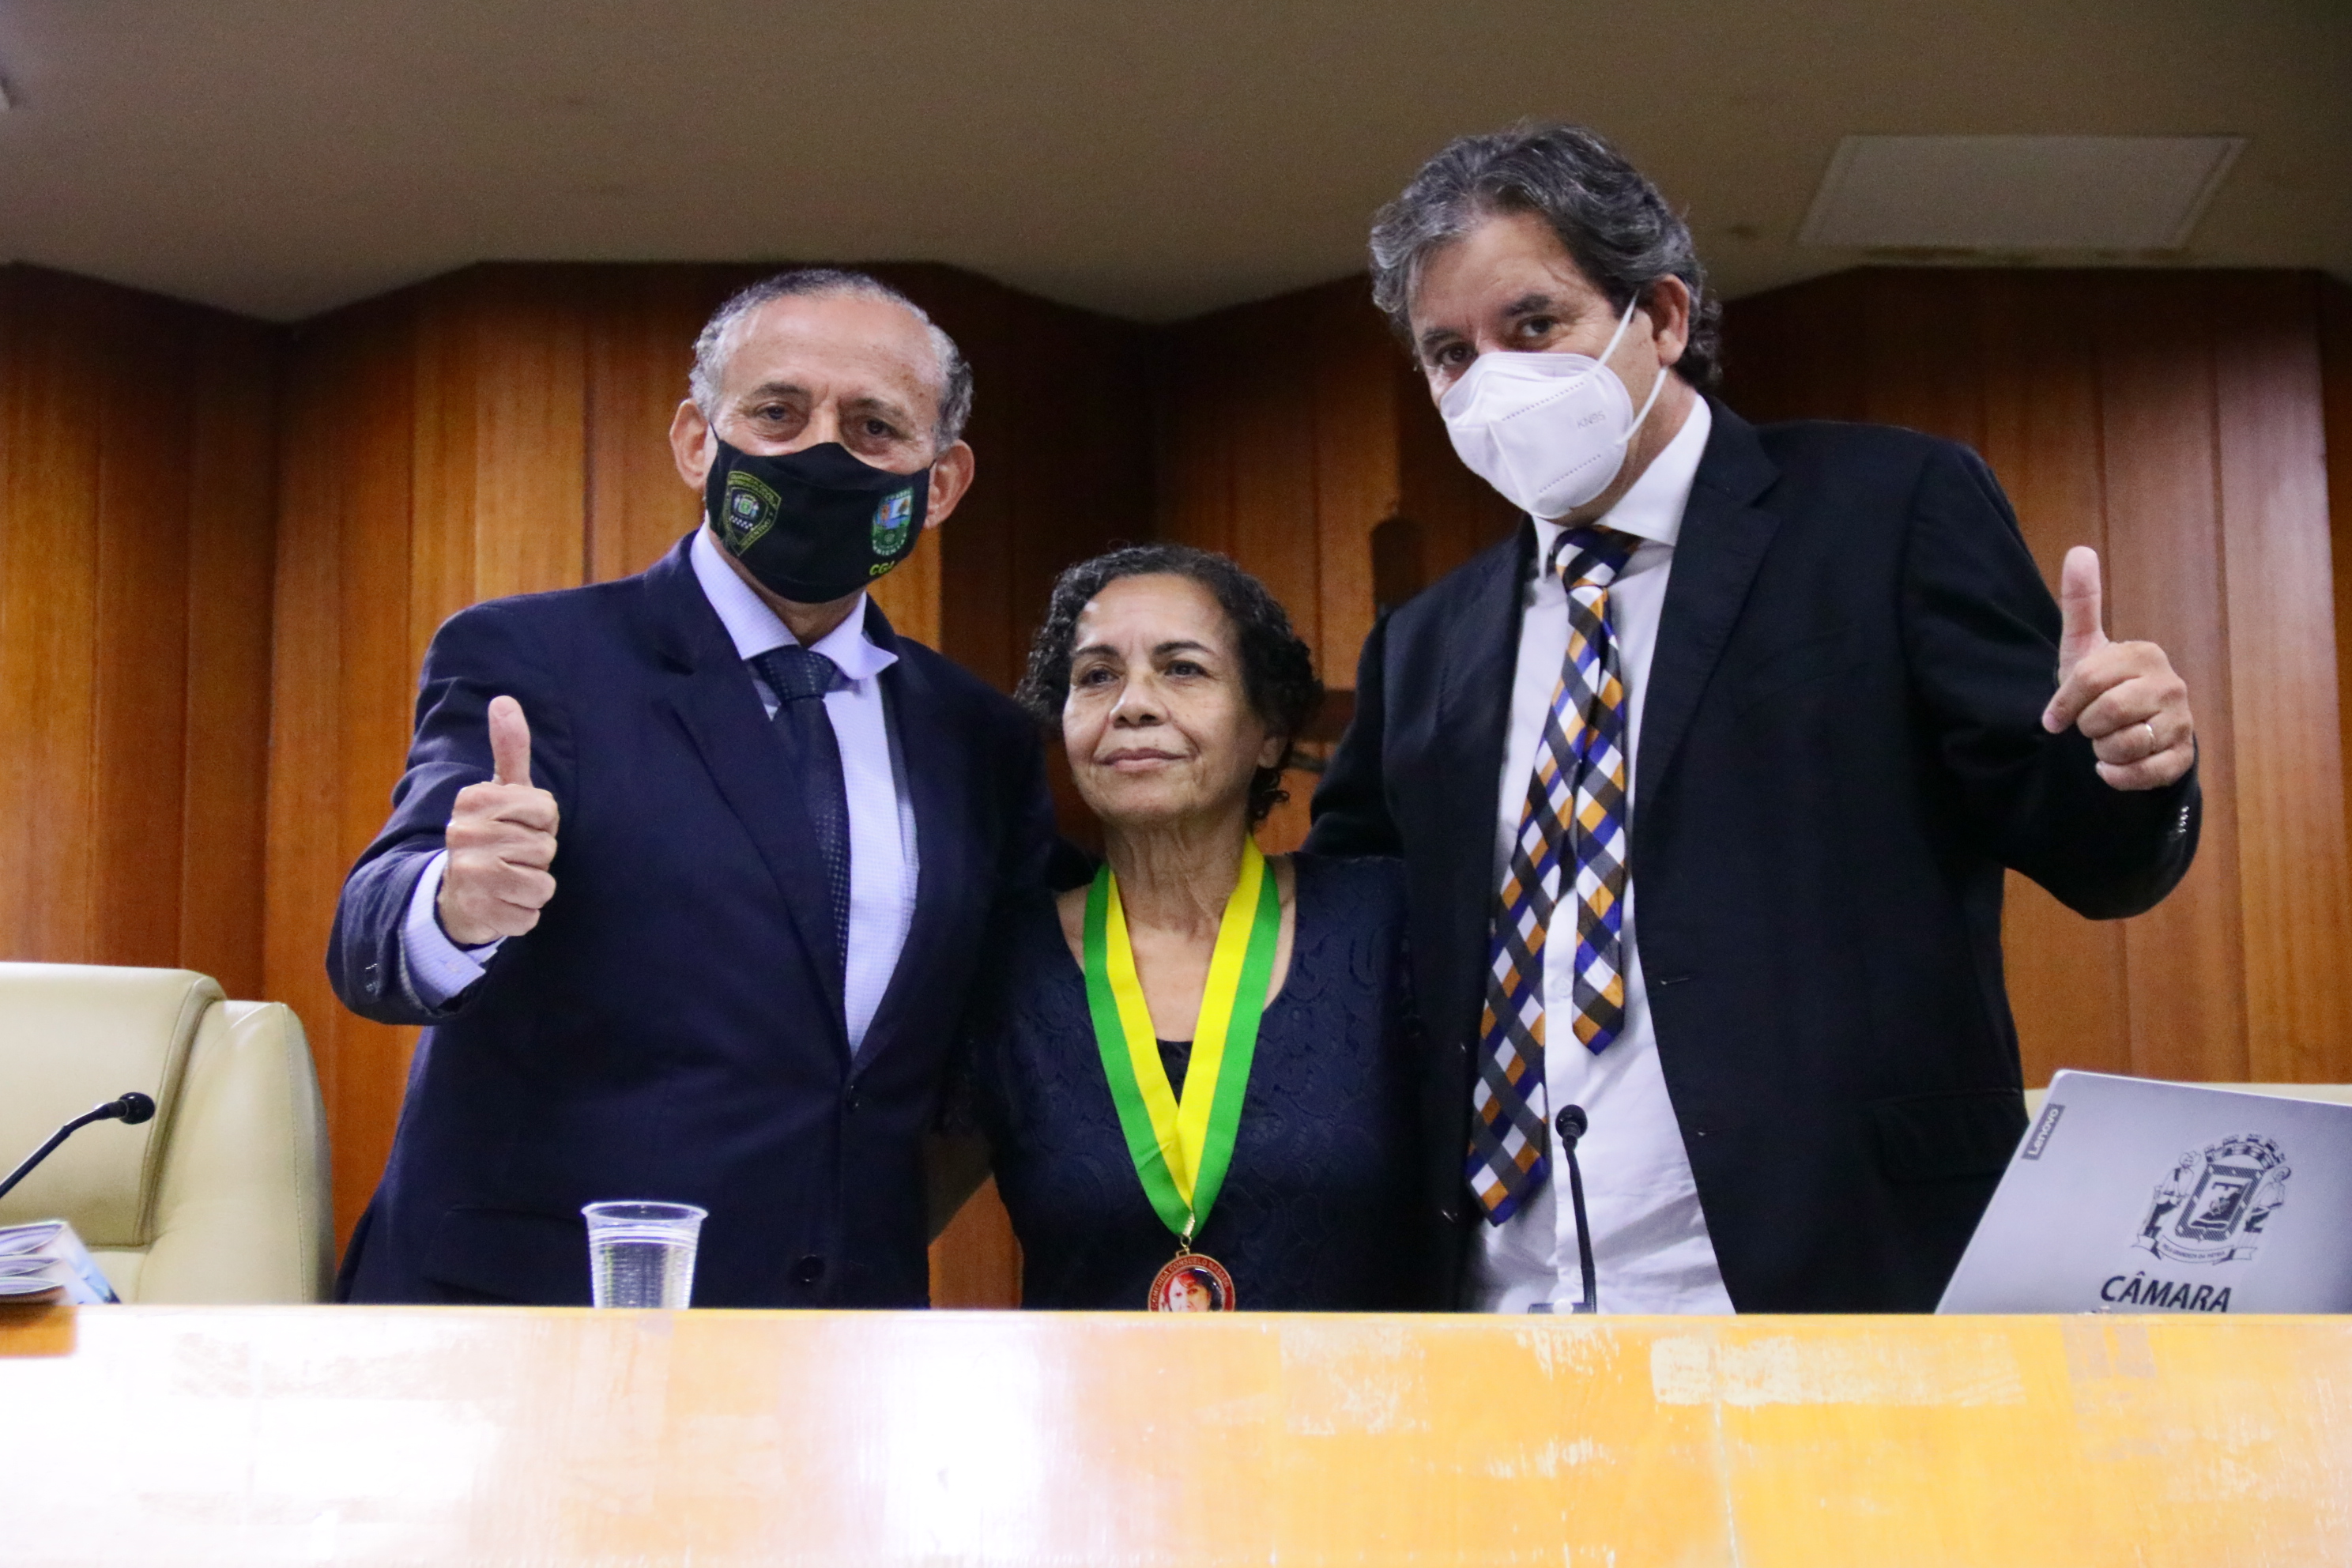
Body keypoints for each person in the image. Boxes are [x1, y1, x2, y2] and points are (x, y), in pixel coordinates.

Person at [1307, 124, 2200, 1314]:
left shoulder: (1885, 510)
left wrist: (2131, 760)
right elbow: (1354, 940)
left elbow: (2095, 856)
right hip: (1503, 1299)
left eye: (1533, 325)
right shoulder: (1426, 642)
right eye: (1449, 353)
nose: (1492, 382)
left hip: (1833, 1273)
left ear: (1662, 317)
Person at [328, 269, 1054, 1307]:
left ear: (938, 484)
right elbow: (375, 932)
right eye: (777, 412)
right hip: (537, 1315)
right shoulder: (536, 659)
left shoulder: (977, 739)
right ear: (695, 441)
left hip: (838, 1333)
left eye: (874, 426)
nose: (821, 453)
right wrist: (454, 903)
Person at [956, 545, 1433, 1311]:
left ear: (1269, 730)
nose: (1132, 705)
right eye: (1096, 676)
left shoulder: (1386, 925)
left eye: (1182, 669)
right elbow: (889, 1206)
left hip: (1364, 1392)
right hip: (1093, 1393)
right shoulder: (1005, 965)